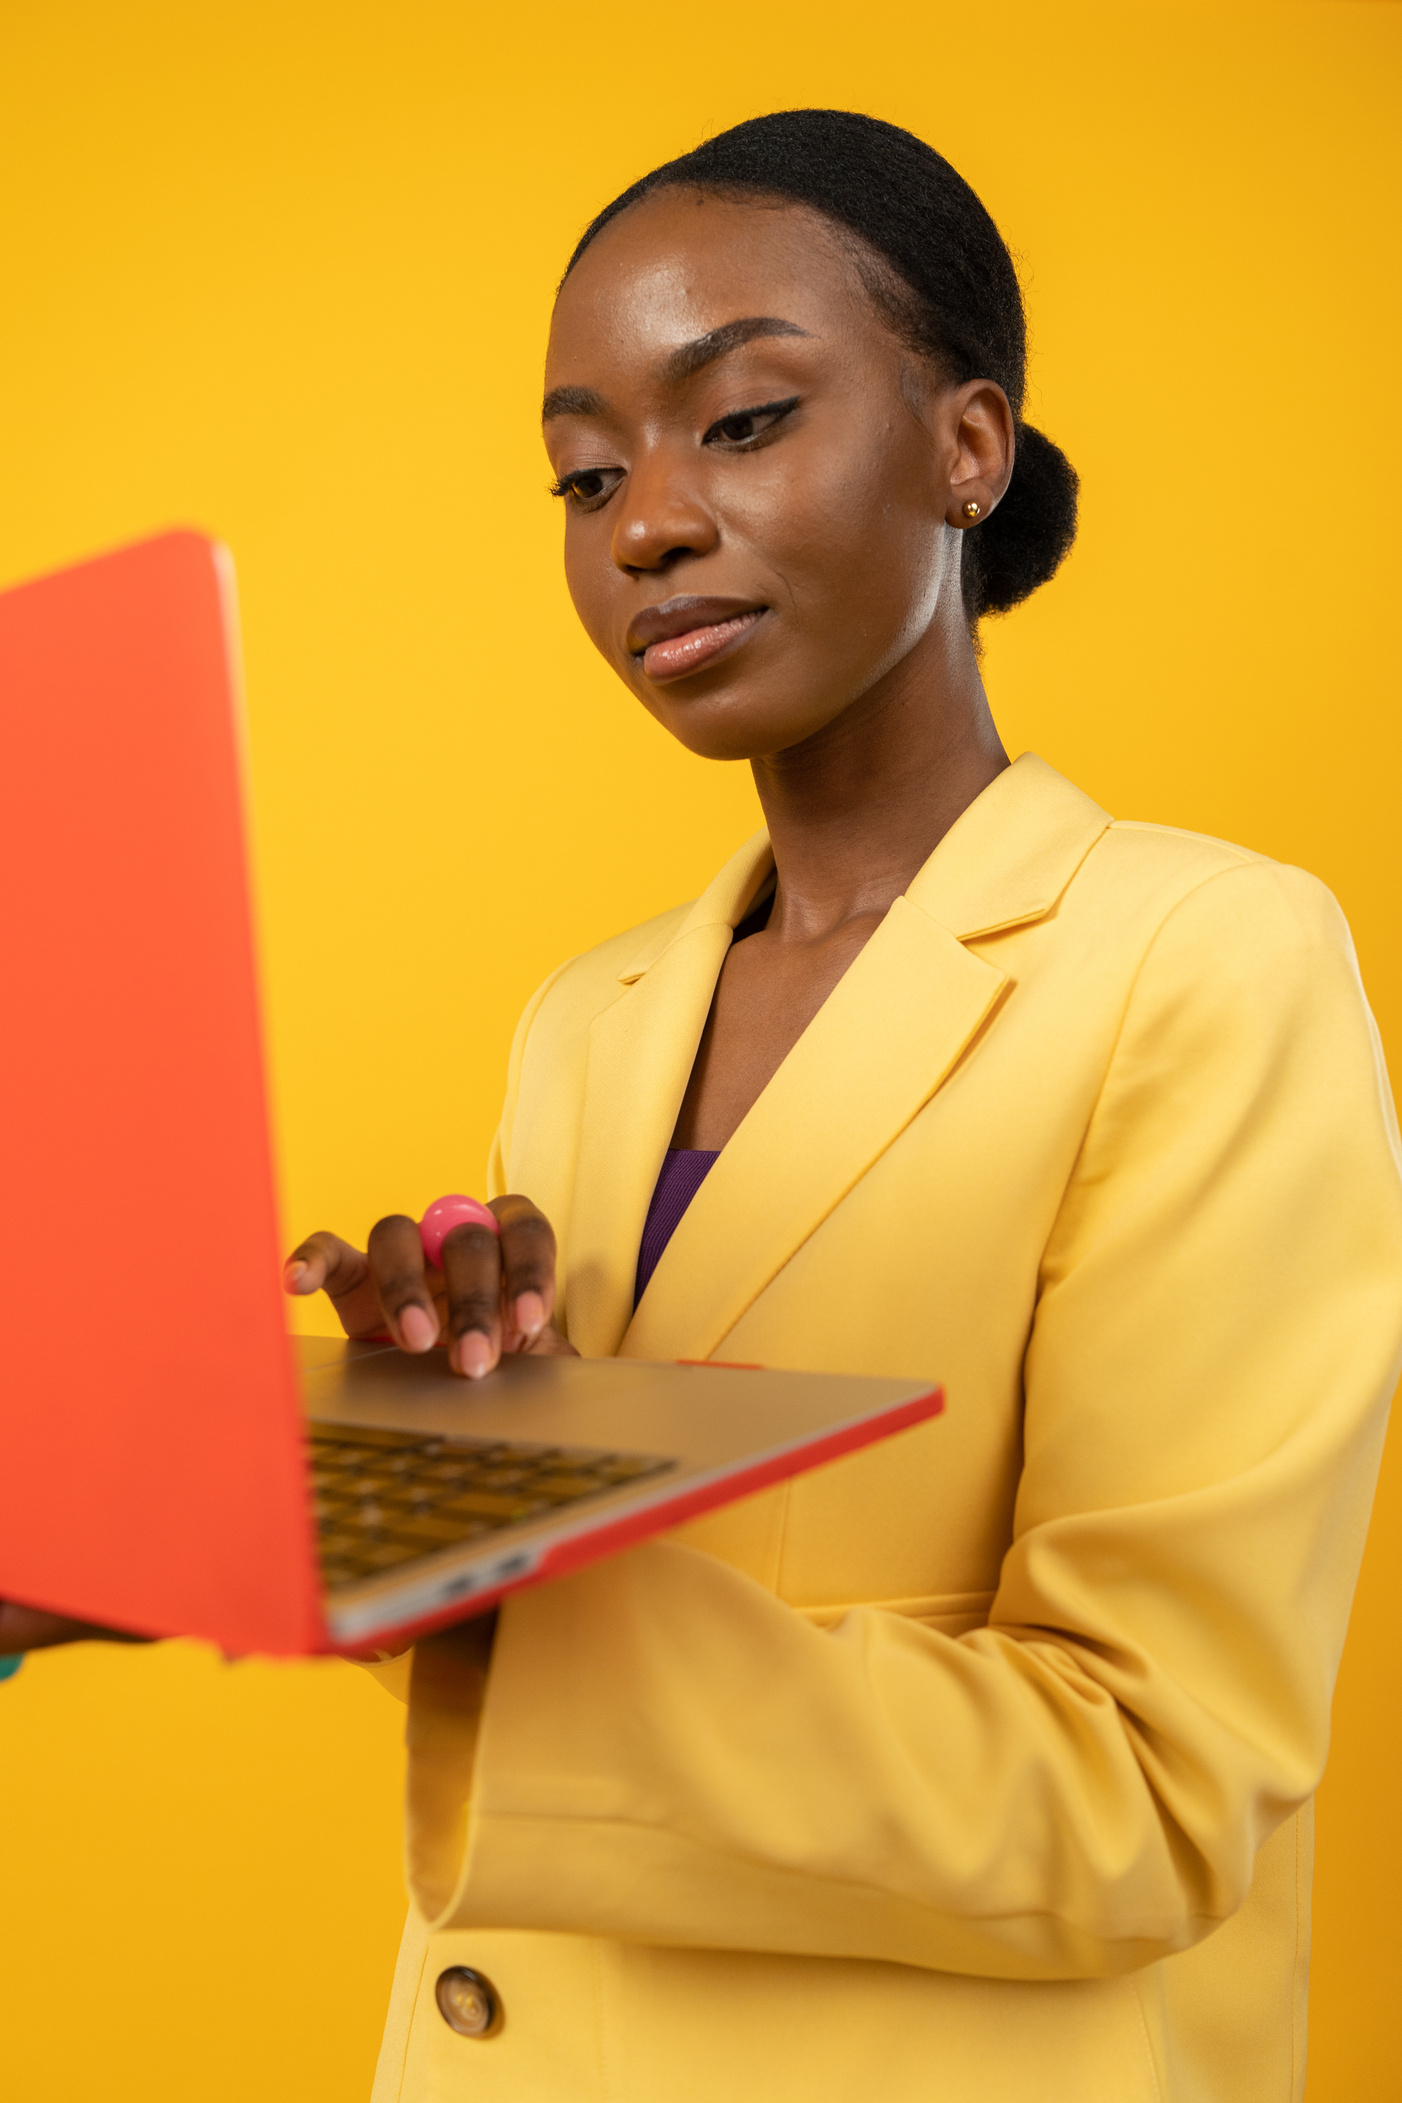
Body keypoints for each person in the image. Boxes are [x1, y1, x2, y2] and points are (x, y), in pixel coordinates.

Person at [8, 109, 1402, 2103]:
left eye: (736, 421)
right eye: (585, 473)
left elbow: (1152, 1793)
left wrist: (510, 1599)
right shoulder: (589, 1020)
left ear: (965, 447)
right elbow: (611, 1603)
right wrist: (372, 1480)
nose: (642, 522)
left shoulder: (1201, 960)